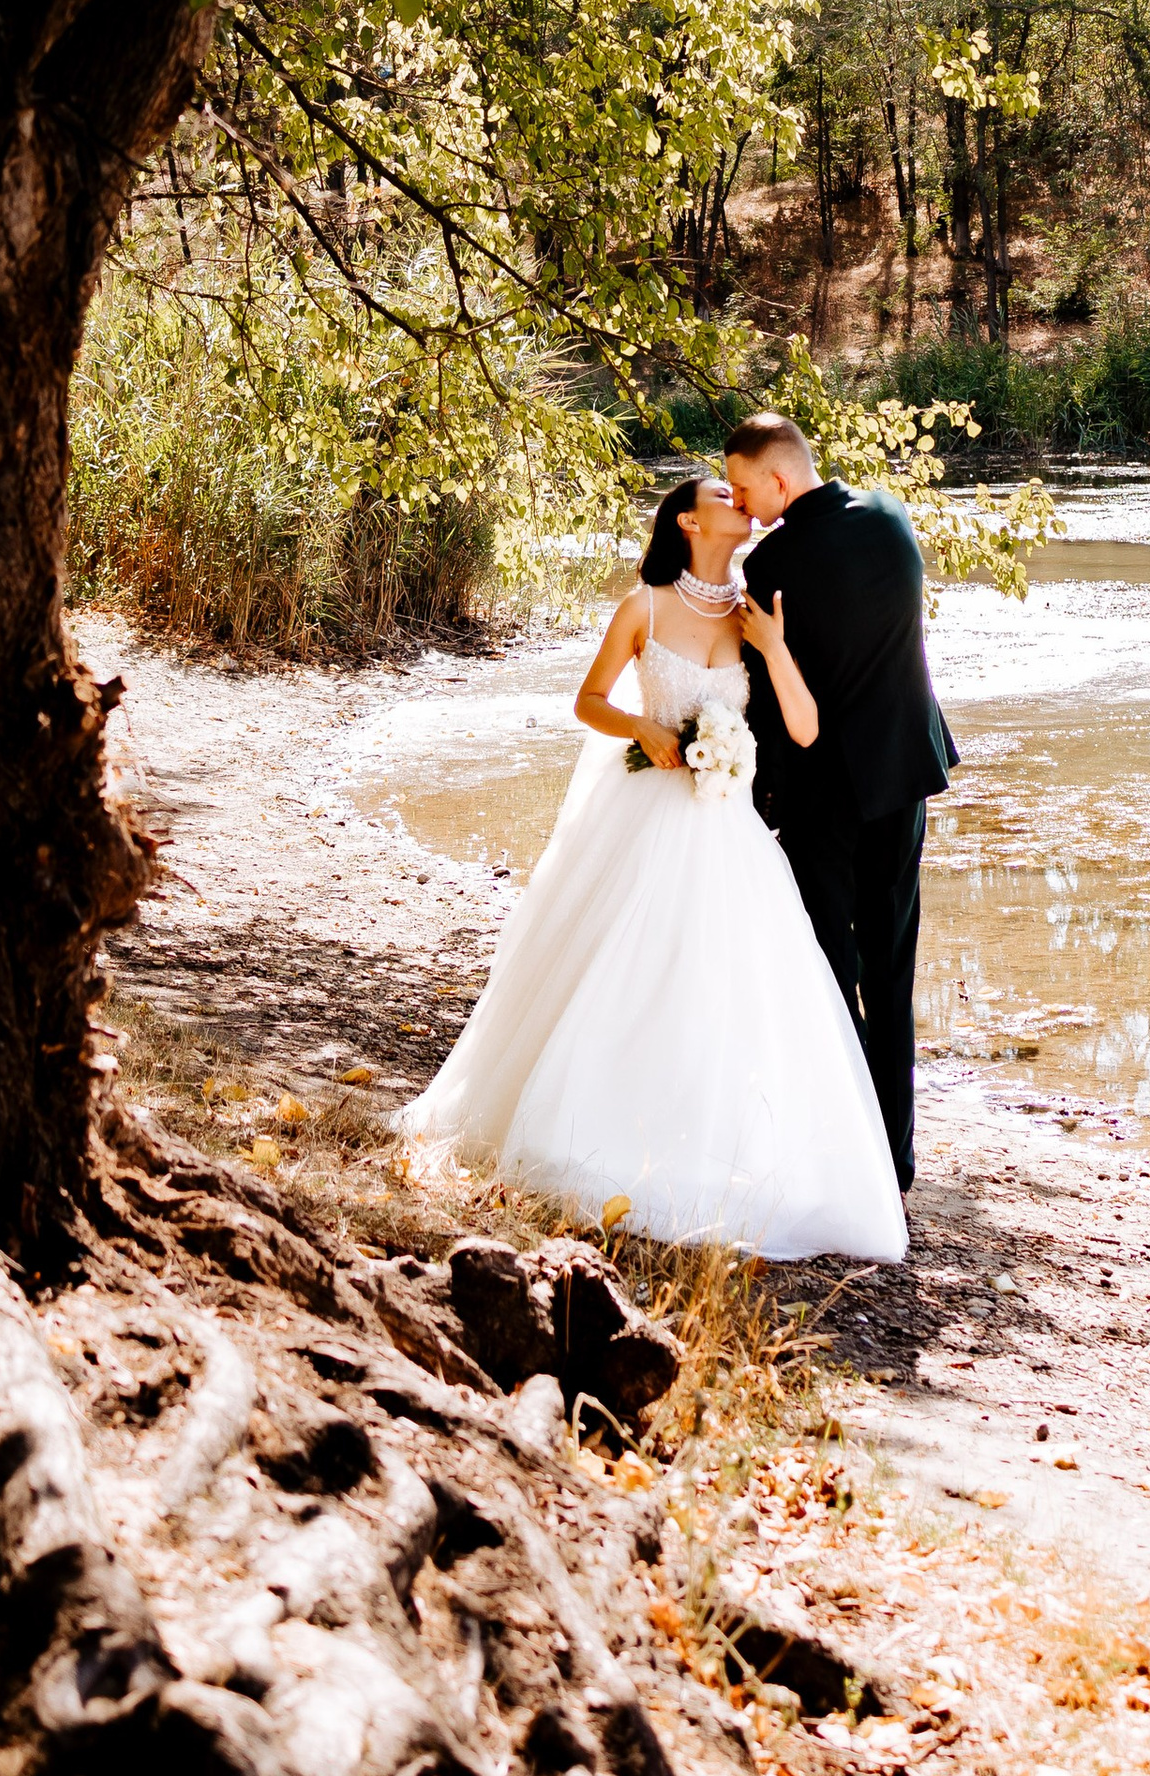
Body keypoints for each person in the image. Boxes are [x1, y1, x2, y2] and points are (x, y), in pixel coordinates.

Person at [395, 474, 905, 1263]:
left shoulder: (754, 612)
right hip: (647, 812)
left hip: (725, 824)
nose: (741, 503)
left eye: (744, 494)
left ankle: (729, 1145)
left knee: (732, 985)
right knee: (628, 966)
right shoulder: (645, 605)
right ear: (685, 519)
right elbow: (588, 701)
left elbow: (801, 727)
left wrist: (769, 651)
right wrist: (641, 724)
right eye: (722, 495)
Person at [722, 415, 955, 1195]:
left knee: (828, 970)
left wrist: (746, 800)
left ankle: (851, 1149)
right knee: (891, 973)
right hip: (904, 775)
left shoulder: (773, 562)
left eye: (747, 488)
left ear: (780, 481)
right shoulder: (893, 517)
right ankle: (897, 1160)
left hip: (825, 800)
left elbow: (764, 704)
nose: (741, 503)